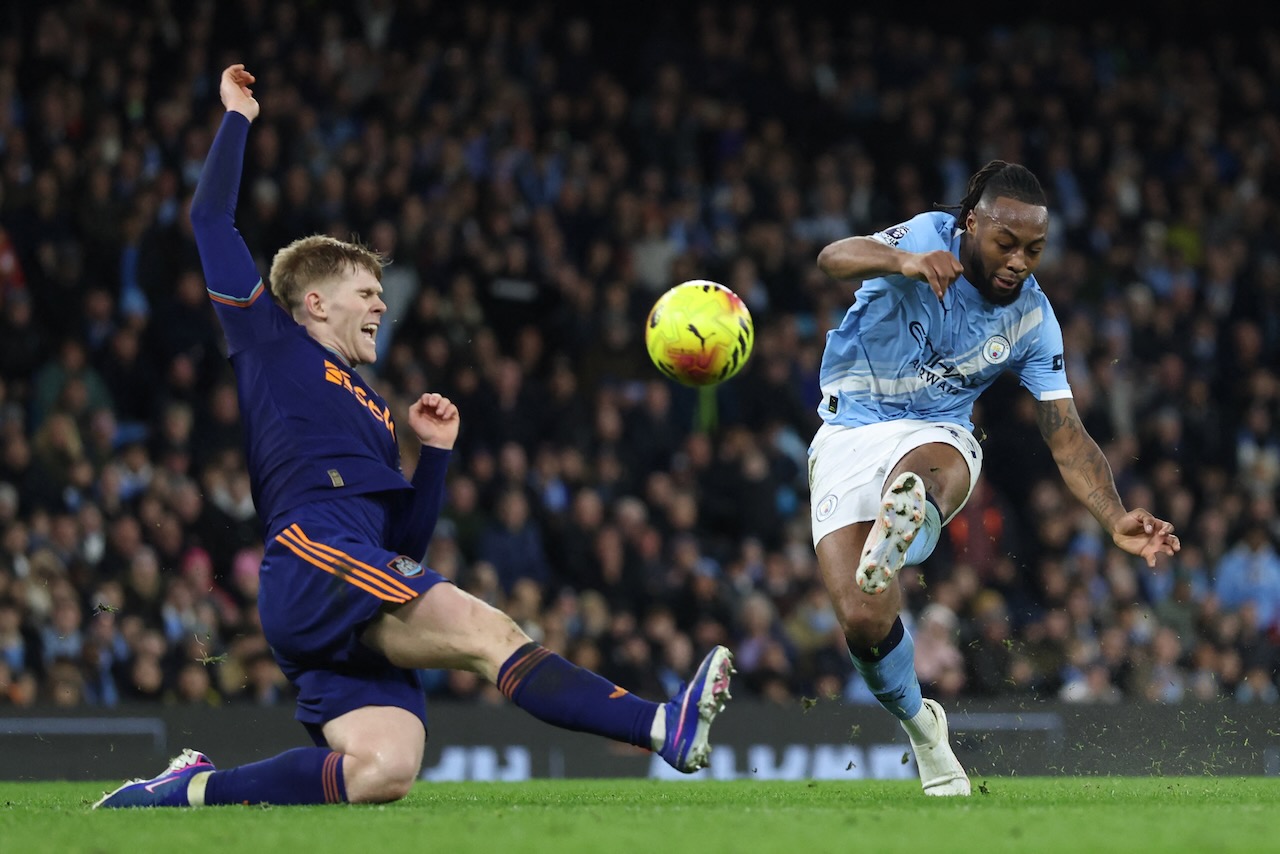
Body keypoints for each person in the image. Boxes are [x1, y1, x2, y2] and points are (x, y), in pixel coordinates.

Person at [95, 64, 734, 809]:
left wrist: (433, 458)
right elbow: (210, 220)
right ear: (314, 301)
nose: (380, 306)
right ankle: (660, 725)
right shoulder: (269, 341)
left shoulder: (373, 407)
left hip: (350, 575)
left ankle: (185, 791)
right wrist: (238, 115)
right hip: (311, 557)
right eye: (367, 292)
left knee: (383, 770)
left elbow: (402, 545)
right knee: (488, 631)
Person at [806, 160, 1180, 796]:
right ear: (971, 225)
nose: (1018, 262)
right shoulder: (926, 235)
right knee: (863, 620)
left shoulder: (1033, 318)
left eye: (1034, 249)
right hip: (847, 430)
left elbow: (1066, 433)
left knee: (923, 474)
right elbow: (832, 258)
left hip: (936, 436)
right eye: (1006, 243)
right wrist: (903, 263)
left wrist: (1115, 516)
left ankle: (910, 518)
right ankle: (924, 729)